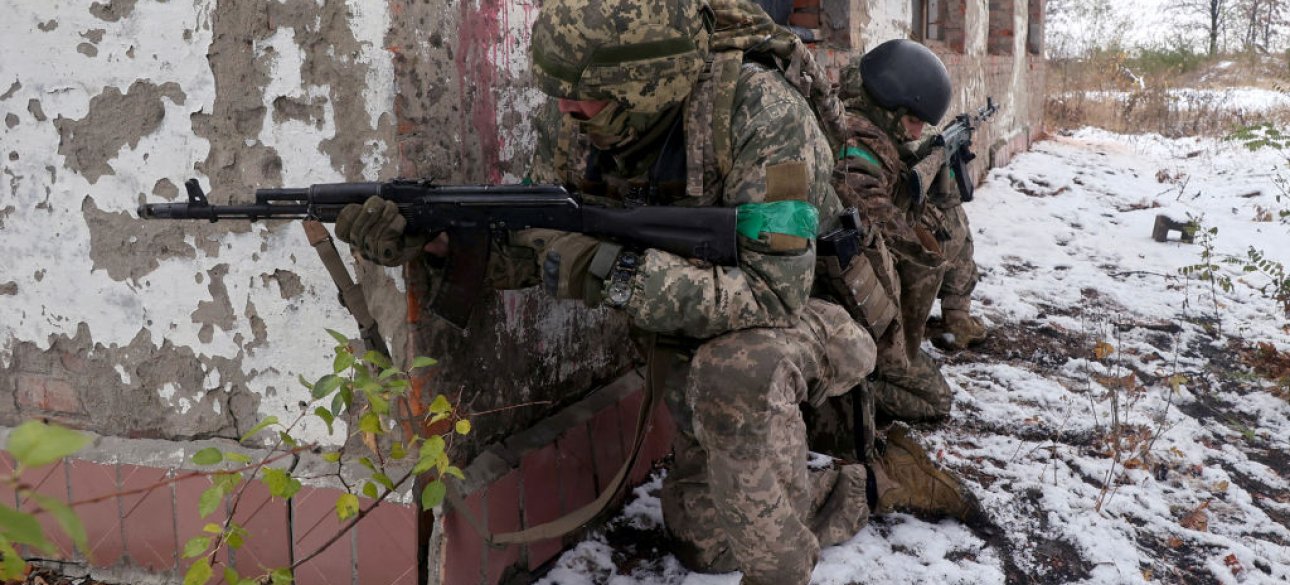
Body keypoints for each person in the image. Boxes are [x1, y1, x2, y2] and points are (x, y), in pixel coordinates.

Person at [336, 3, 981, 583]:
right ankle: (871, 486)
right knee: (704, 539)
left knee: (740, 370)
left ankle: (785, 568)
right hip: (704, 332)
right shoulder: (587, 129)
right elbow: (543, 246)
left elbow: (773, 295)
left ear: (641, 87)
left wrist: (614, 273)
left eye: (583, 98)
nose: (564, 110)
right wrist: (436, 244)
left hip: (820, 313)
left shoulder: (762, 115)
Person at [831, 38, 977, 423]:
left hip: (868, 301)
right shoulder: (855, 144)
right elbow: (875, 209)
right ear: (889, 105)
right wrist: (922, 231)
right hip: (849, 309)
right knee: (936, 401)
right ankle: (840, 394)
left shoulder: (871, 129)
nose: (915, 134)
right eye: (913, 121)